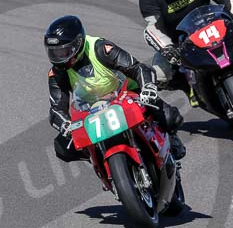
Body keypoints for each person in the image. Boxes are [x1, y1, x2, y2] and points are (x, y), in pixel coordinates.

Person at [44, 14, 185, 163]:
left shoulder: (101, 48)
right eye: (54, 52)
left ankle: (169, 140)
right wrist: (65, 125)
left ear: (78, 44)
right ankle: (97, 157)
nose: (58, 57)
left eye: (63, 52)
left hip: (126, 94)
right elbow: (56, 109)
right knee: (62, 147)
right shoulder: (57, 73)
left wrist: (148, 87)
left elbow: (137, 68)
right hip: (89, 110)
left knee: (170, 117)